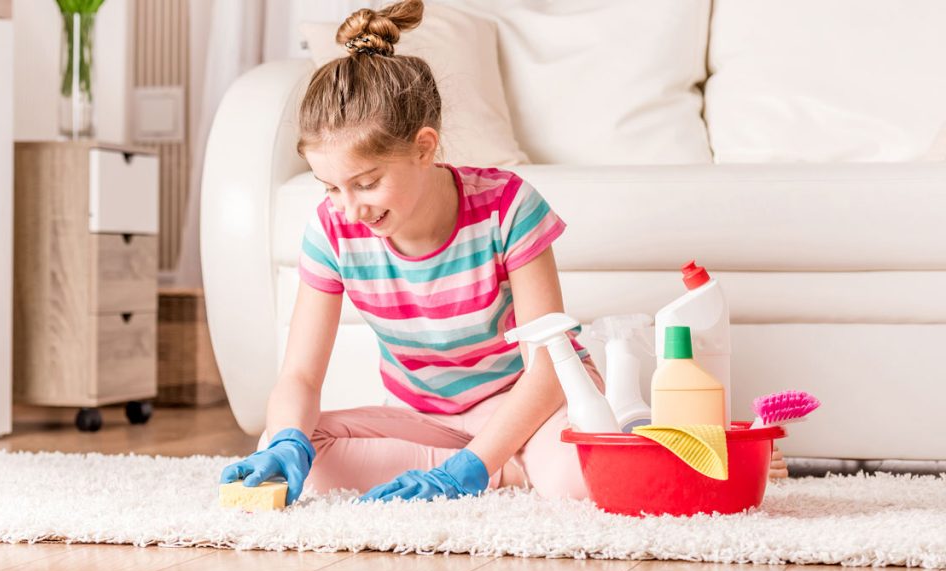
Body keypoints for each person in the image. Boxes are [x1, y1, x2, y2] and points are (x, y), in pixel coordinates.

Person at [220, 0, 786, 506]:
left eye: (366, 183)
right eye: (330, 188)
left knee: (573, 482)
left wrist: (473, 461)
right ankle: (512, 471)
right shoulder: (333, 230)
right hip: (427, 419)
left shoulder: (507, 207)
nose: (349, 209)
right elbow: (298, 375)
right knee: (295, 450)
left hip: (529, 402)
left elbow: (547, 364)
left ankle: (507, 466)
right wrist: (291, 439)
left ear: (424, 147)